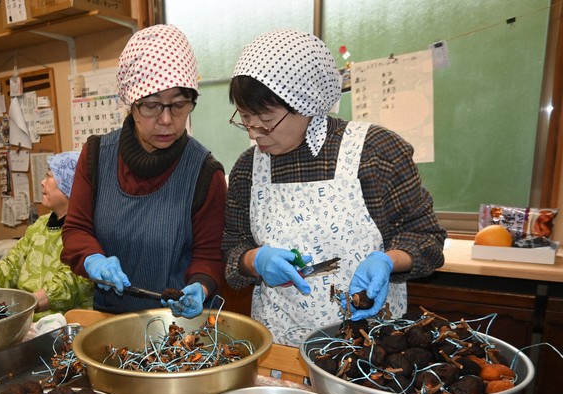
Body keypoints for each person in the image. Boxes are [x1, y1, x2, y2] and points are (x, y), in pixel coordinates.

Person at [222, 29, 447, 345]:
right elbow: (233, 245)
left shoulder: (375, 152)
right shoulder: (248, 167)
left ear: (306, 100)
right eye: (245, 117)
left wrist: (388, 260)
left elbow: (427, 239)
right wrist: (255, 260)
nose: (254, 132)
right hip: (280, 347)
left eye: (265, 118)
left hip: (370, 347)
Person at [61, 24, 227, 318]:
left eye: (179, 105)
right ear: (130, 103)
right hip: (111, 320)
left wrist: (200, 287)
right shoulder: (97, 155)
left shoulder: (204, 172)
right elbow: (76, 229)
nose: (166, 120)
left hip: (178, 326)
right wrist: (93, 259)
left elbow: (209, 255)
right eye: (151, 106)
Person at [0, 151, 93, 321]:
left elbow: (68, 285)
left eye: (49, 176)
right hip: (25, 317)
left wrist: (17, 309)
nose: (42, 182)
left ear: (70, 185)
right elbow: (9, 267)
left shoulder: (87, 230)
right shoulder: (40, 225)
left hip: (61, 325)